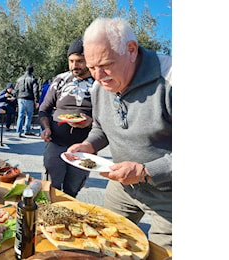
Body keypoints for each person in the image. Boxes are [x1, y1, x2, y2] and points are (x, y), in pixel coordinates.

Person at [67, 17, 172, 249]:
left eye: (105, 65)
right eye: (92, 67)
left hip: (170, 195)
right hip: (123, 185)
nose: (98, 75)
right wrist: (88, 146)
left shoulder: (171, 79)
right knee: (102, 242)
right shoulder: (99, 86)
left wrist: (146, 171)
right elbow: (101, 127)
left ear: (131, 50)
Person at [38, 36, 94, 197]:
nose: (74, 66)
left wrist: (90, 122)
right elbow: (44, 109)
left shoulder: (100, 83)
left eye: (79, 61)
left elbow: (107, 117)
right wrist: (46, 128)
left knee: (72, 191)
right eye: (71, 61)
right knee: (50, 189)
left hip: (84, 148)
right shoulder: (60, 80)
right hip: (56, 143)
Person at [15, 65, 40, 137]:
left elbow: (16, 89)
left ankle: (18, 131)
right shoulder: (33, 79)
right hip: (29, 98)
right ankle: (27, 130)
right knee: (29, 115)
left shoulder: (19, 79)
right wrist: (36, 101)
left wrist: (17, 98)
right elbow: (35, 90)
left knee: (20, 115)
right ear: (32, 71)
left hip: (20, 98)